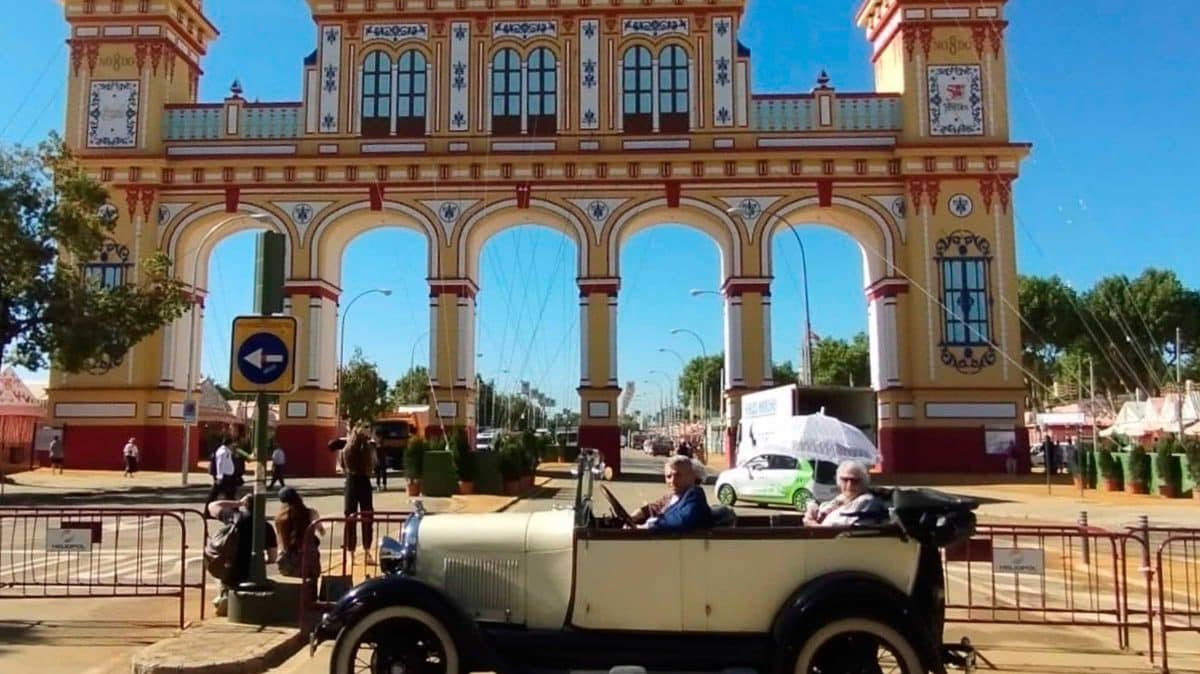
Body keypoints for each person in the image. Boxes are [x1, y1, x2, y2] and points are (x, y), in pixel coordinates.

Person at [207, 494, 278, 617]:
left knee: (219, 569)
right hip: (252, 573)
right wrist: (261, 561)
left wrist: (238, 503)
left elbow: (212, 506)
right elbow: (273, 557)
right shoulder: (266, 527)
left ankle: (224, 594)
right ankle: (226, 596)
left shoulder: (235, 517)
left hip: (230, 566)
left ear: (246, 505)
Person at [636, 455, 712, 532]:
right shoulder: (672, 496)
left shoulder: (695, 495)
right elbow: (654, 508)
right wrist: (635, 516)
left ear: (692, 477)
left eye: (678, 475)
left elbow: (681, 520)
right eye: (669, 477)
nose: (672, 481)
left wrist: (652, 525)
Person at [339, 426, 377, 564]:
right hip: (364, 482)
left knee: (350, 518)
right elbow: (372, 466)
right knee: (367, 517)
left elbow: (342, 465)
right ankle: (367, 552)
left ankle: (351, 554)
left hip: (351, 482)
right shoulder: (367, 449)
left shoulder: (347, 449)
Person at [804, 460, 879, 527]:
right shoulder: (841, 498)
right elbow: (822, 511)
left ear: (864, 482)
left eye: (854, 481)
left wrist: (812, 524)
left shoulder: (866, 501)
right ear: (838, 481)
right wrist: (812, 510)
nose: (849, 485)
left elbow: (842, 530)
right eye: (845, 480)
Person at [274, 486, 323, 580]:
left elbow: (281, 544)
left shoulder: (279, 519)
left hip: (288, 565)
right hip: (309, 563)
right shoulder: (311, 513)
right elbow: (322, 531)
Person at [207, 437, 240, 508]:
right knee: (215, 494)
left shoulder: (226, 451)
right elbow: (220, 464)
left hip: (228, 477)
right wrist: (219, 477)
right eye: (232, 443)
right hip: (224, 477)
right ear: (229, 444)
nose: (233, 445)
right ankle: (207, 511)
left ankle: (234, 509)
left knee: (230, 494)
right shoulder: (222, 452)